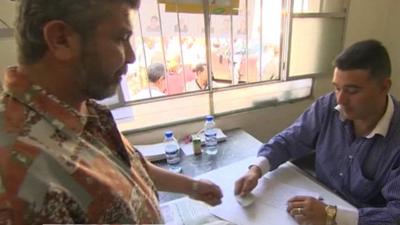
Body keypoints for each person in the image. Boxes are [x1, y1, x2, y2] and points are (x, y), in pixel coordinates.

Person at [0, 0, 222, 224]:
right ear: (61, 39)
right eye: (121, 38)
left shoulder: (84, 110)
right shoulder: (17, 178)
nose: (131, 56)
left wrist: (191, 186)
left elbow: (130, 167)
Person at [235, 40, 400, 225]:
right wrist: (257, 169)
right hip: (318, 203)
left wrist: (332, 215)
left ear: (384, 87)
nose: (341, 99)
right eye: (337, 88)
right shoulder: (328, 106)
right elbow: (290, 139)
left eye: (352, 91)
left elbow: (396, 214)